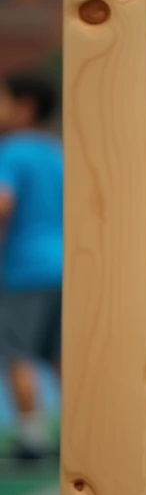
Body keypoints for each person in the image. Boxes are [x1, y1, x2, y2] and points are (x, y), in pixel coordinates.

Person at [0, 72, 63, 460]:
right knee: (60, 356)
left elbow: (4, 203)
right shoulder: (56, 152)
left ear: (24, 107)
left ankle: (32, 436)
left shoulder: (12, 151)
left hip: (25, 269)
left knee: (16, 352)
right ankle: (80, 432)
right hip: (64, 266)